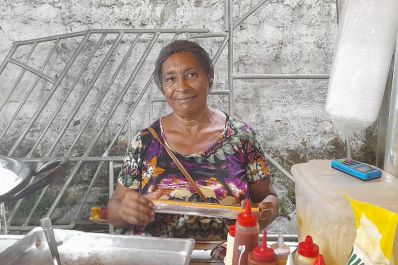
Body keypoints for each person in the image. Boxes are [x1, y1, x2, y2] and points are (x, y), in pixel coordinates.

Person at [107, 40, 279, 240]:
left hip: (228, 256)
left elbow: (268, 197)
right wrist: (125, 211)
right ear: (163, 87)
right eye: (171, 79)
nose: (182, 87)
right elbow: (114, 208)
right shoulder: (145, 142)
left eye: (191, 75)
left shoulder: (242, 138)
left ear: (210, 77)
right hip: (164, 258)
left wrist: (266, 209)